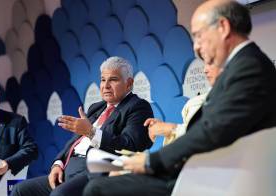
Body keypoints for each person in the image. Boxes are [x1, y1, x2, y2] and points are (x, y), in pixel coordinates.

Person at [83, 1, 276, 195]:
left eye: (198, 36)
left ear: (223, 27)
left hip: (209, 178)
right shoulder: (247, 65)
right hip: (203, 171)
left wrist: (151, 161)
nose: (197, 47)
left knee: (97, 189)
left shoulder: (248, 68)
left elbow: (212, 131)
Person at [11, 56, 153, 196]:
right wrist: (58, 164)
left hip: (97, 171)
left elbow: (130, 144)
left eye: (113, 80)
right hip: (69, 169)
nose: (106, 85)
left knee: (59, 194)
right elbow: (75, 142)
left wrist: (91, 132)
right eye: (103, 80)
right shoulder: (97, 107)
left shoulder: (138, 107)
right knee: (20, 190)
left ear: (129, 83)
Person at [146, 62, 222, 145]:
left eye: (211, 62)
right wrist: (165, 129)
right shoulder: (192, 103)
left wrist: (170, 129)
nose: (205, 70)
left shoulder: (230, 100)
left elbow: (209, 135)